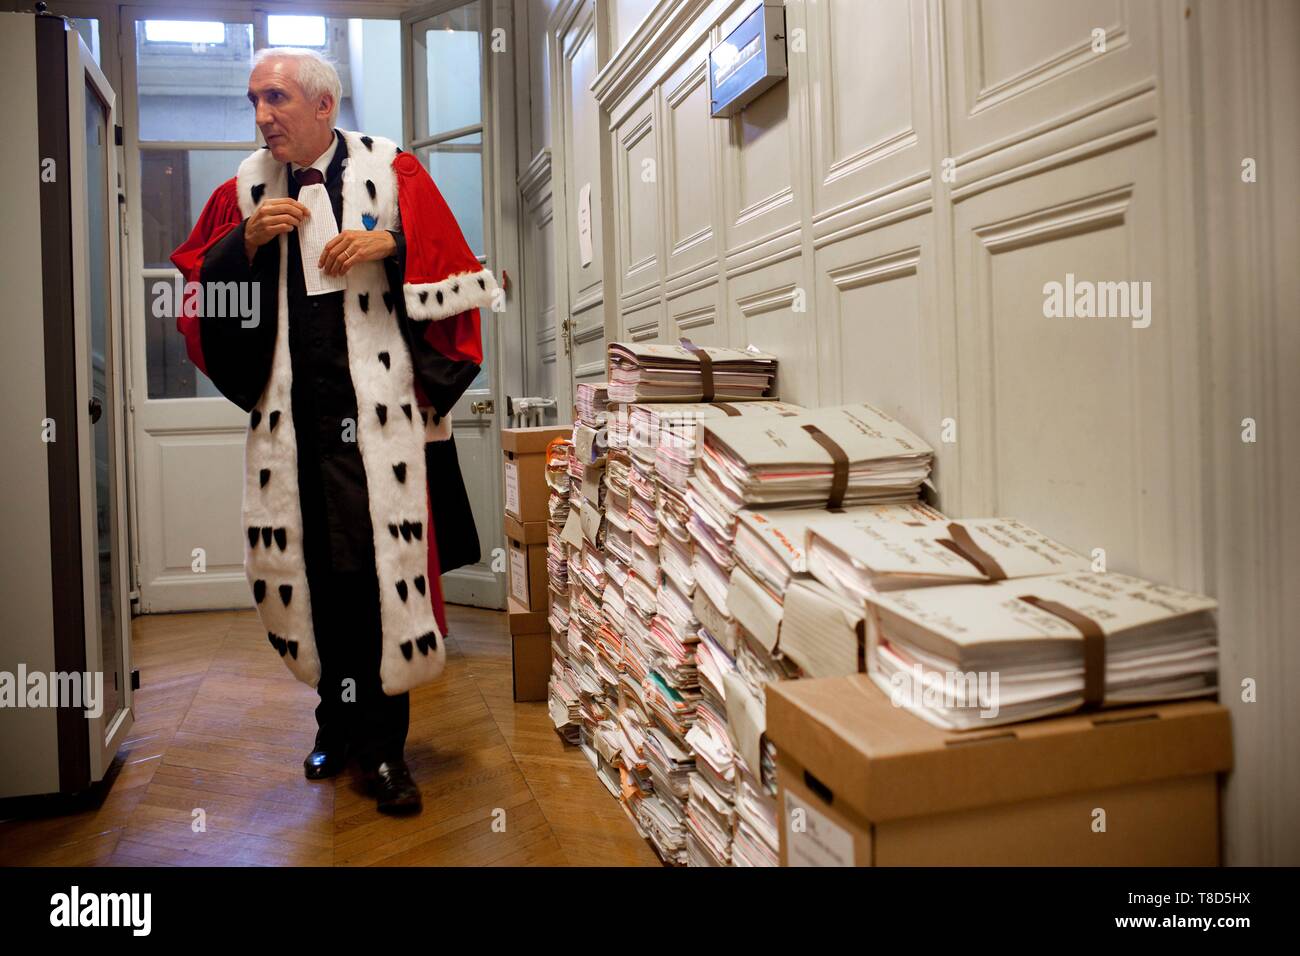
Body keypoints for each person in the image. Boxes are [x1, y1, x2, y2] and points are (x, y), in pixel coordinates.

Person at [169, 47, 496, 815]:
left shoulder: (395, 173)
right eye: (253, 100)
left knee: (379, 581)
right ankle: (334, 726)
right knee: (317, 577)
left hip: (376, 426)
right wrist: (239, 248)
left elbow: (456, 277)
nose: (261, 116)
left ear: (323, 105)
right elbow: (196, 293)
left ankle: (386, 752)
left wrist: (396, 246)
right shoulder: (240, 193)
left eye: (276, 98)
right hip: (296, 430)